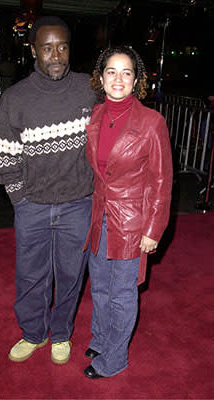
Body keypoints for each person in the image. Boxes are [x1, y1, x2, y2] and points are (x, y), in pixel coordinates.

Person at [0, 16, 96, 365]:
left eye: (63, 47)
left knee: (70, 276)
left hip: (78, 204)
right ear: (34, 50)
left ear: (70, 49)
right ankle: (33, 334)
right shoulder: (14, 98)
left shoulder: (89, 89)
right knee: (30, 275)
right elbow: (5, 155)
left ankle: (62, 334)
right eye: (47, 47)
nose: (56, 55)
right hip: (32, 206)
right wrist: (20, 198)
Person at [83, 46, 173, 379]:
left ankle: (114, 359)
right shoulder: (95, 115)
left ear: (137, 80)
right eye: (111, 71)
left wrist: (153, 229)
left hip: (133, 222)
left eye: (126, 72)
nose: (118, 79)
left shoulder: (152, 122)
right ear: (101, 76)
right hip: (100, 216)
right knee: (99, 288)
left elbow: (162, 182)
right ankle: (102, 339)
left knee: (121, 293)